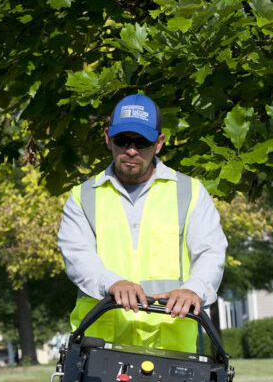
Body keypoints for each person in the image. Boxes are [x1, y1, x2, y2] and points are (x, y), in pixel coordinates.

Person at [57, 92, 227, 351]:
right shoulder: (83, 197)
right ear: (107, 138)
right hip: (99, 346)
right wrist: (112, 283)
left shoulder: (190, 192)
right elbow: (78, 256)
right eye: (122, 141)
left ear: (159, 143)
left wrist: (194, 289)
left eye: (143, 142)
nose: (132, 150)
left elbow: (211, 253)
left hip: (171, 346)